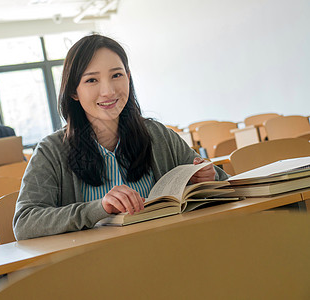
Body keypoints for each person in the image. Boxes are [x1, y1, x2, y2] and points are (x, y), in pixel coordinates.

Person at [13, 34, 228, 240]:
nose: (108, 91)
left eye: (116, 75)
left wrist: (205, 179)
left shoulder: (158, 135)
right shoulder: (51, 151)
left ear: (128, 78)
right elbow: (25, 222)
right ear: (73, 92)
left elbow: (222, 182)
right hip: (95, 266)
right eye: (91, 80)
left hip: (167, 250)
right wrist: (99, 208)